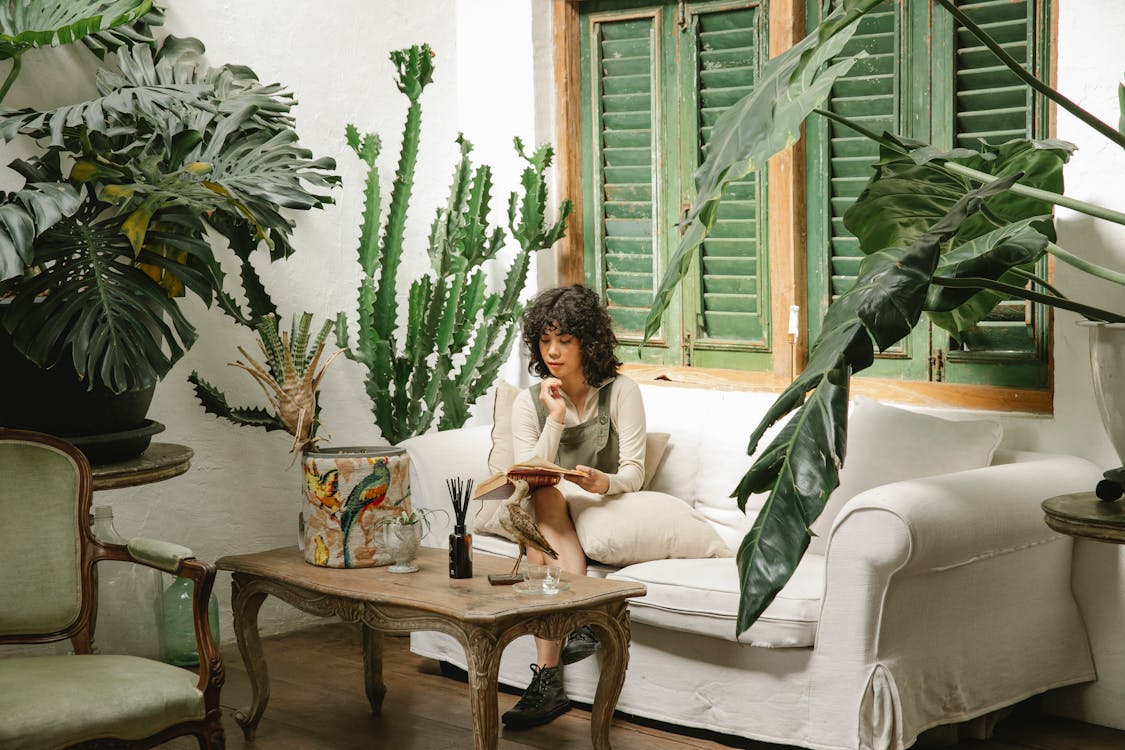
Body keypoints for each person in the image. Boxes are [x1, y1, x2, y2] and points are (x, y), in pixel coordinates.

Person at [500, 284, 647, 729]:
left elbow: (635, 472)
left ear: (588, 341)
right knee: (543, 497)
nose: (553, 352)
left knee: (537, 550)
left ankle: (547, 682)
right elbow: (529, 471)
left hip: (602, 501)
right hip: (549, 505)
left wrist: (605, 481)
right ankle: (576, 623)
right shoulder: (530, 403)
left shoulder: (621, 391)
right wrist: (556, 417)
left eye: (565, 340)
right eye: (545, 341)